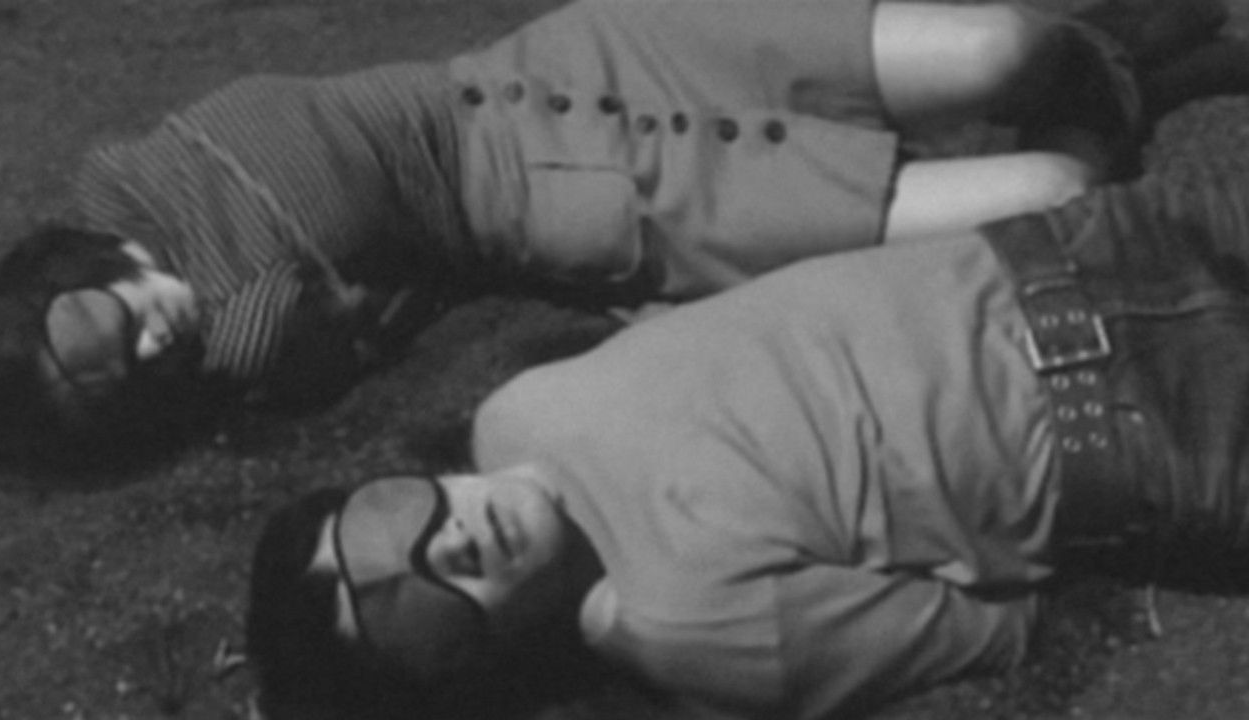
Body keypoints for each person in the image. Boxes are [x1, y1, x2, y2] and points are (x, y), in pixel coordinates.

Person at [245, 147, 1249, 720]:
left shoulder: (517, 412)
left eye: (387, 520)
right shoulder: (684, 627)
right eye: (420, 614)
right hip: (1153, 436)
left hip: (1091, 243)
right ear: (471, 668)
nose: (447, 546)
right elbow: (991, 628)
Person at [0, 0, 1206, 463]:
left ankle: (1098, 57)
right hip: (592, 203)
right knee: (1055, 190)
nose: (145, 342)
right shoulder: (235, 341)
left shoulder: (126, 180)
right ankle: (1126, 91)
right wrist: (257, 322)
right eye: (123, 379)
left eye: (89, 328)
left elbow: (292, 230)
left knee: (1002, 45)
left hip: (583, 56)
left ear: (54, 273)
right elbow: (319, 320)